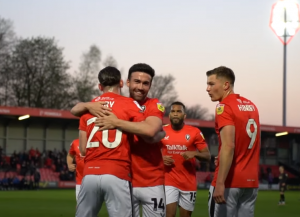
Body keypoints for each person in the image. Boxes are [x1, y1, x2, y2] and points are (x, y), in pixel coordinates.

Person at [71, 63, 166, 217]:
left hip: (150, 180)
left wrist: (113, 121)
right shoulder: (128, 105)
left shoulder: (153, 104)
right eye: (137, 82)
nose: (140, 87)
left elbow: (150, 131)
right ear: (125, 83)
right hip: (122, 176)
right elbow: (151, 134)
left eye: (145, 83)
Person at [206, 66, 260, 217]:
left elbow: (229, 145)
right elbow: (245, 141)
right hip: (251, 183)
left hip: (230, 181)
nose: (207, 88)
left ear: (226, 85)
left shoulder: (223, 107)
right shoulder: (252, 106)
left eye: (211, 84)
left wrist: (220, 183)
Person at [161, 101, 211, 217]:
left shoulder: (194, 132)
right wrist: (160, 158)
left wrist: (194, 153)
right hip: (168, 180)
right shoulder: (161, 131)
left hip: (188, 182)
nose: (175, 114)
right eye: (173, 111)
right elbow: (150, 153)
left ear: (184, 116)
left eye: (179, 111)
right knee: (169, 215)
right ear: (169, 116)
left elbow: (207, 156)